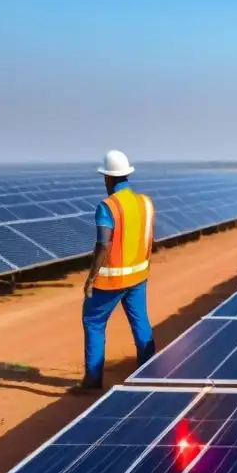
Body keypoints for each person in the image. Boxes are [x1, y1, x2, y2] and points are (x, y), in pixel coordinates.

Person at [79, 149, 157, 390]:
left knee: (93, 321)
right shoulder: (145, 202)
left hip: (111, 281)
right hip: (138, 275)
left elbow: (103, 244)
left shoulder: (108, 207)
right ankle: (149, 370)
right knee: (140, 321)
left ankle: (93, 379)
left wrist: (91, 279)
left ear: (108, 178)